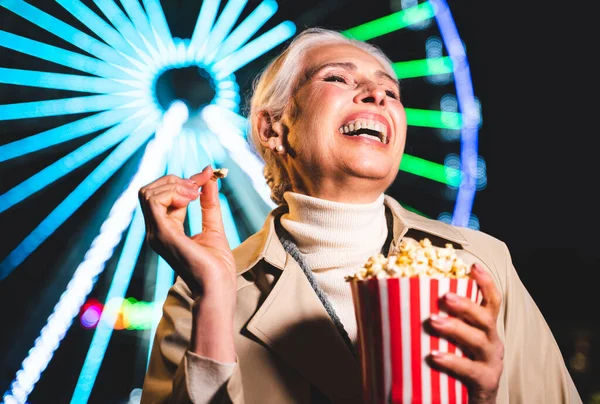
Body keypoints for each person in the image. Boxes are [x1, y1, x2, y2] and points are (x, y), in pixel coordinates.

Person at [138, 27, 582, 404]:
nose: (377, 96)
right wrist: (216, 296)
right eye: (337, 78)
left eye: (391, 91)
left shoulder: (482, 264)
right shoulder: (203, 293)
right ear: (271, 128)